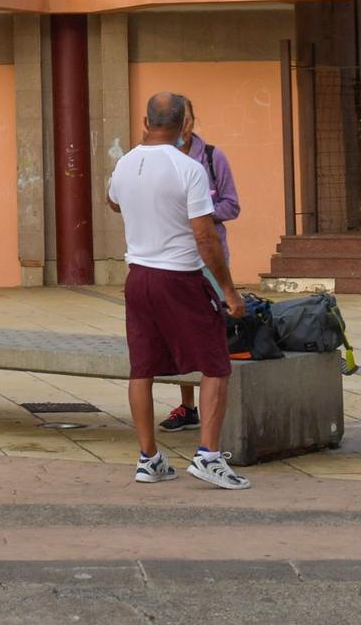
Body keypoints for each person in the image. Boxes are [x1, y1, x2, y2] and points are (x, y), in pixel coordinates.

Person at [106, 91, 251, 491]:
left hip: (137, 277)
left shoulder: (124, 164)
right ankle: (207, 455)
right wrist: (229, 291)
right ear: (184, 124)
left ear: (144, 121)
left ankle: (148, 458)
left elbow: (112, 201)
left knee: (142, 368)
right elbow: (205, 237)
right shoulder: (188, 168)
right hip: (180, 278)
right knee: (216, 364)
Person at [161, 98, 241, 433]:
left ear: (193, 120)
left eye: (189, 120)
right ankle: (188, 405)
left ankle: (218, 403)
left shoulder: (211, 157)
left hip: (209, 259)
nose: (185, 127)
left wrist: (201, 212)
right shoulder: (159, 159)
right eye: (181, 121)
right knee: (181, 332)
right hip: (173, 257)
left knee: (212, 331)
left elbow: (232, 205)